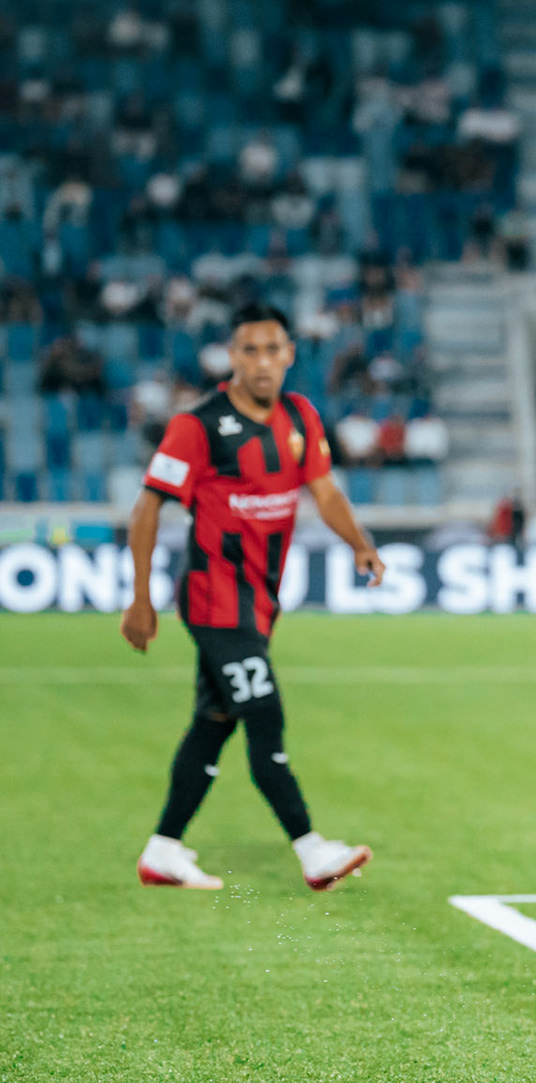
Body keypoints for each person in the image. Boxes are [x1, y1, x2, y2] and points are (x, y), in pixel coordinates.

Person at [120, 303, 385, 892]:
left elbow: (324, 490)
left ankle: (162, 850)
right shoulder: (198, 426)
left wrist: (359, 545)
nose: (263, 362)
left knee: (214, 722)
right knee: (264, 711)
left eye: (273, 350)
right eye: (250, 351)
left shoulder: (300, 416)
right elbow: (147, 507)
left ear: (290, 354)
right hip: (212, 599)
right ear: (232, 357)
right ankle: (313, 850)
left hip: (260, 601)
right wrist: (140, 598)